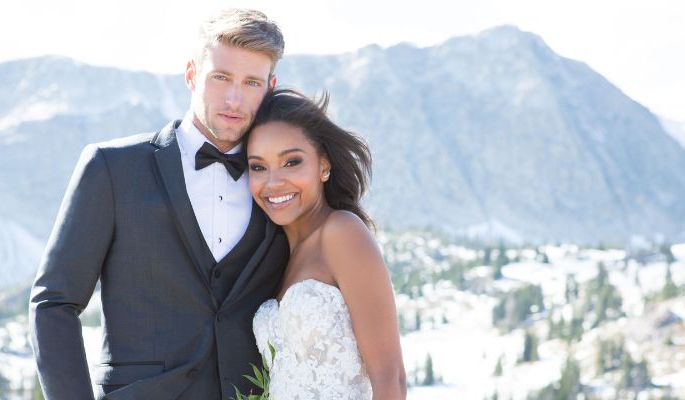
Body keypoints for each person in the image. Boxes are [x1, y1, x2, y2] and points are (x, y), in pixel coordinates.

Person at [29, 8, 289, 400]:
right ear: (191, 74)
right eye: (221, 77)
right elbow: (54, 303)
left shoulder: (281, 186)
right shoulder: (112, 168)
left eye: (251, 82)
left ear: (270, 88)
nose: (234, 98)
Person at [246, 88, 407, 399]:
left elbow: (391, 379)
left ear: (323, 165)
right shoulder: (278, 255)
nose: (274, 182)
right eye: (258, 166)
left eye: (291, 162)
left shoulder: (342, 232)